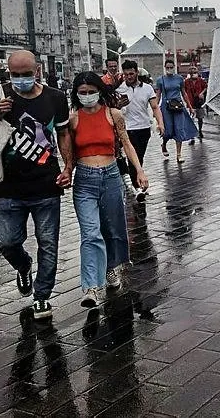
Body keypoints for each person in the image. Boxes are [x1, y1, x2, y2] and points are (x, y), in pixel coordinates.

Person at [0, 50, 73, 321]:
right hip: (8, 187)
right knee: (7, 242)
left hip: (46, 184)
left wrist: (68, 168)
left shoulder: (54, 97)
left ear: (37, 70)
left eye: (26, 74)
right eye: (15, 75)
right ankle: (23, 265)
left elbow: (63, 133)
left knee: (48, 244)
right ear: (7, 73)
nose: (20, 80)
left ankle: (42, 296)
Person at [68, 72, 149, 308]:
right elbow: (68, 151)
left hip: (111, 175)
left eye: (90, 91)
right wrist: (66, 171)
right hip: (84, 180)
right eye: (82, 93)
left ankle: (112, 267)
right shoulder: (73, 119)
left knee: (113, 228)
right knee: (90, 233)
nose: (87, 96)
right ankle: (91, 286)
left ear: (99, 92)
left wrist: (139, 171)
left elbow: (126, 143)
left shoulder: (113, 115)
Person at [116, 60, 164, 202]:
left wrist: (160, 123)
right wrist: (118, 105)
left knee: (139, 157)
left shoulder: (148, 88)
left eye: (131, 73)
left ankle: (137, 177)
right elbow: (113, 109)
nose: (129, 77)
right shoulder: (119, 89)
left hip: (143, 127)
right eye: (126, 75)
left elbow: (155, 107)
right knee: (133, 157)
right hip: (127, 129)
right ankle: (137, 186)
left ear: (137, 72)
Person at [155, 59, 197, 163]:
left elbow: (184, 93)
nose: (169, 69)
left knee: (179, 129)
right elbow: (158, 95)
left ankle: (179, 154)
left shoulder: (179, 79)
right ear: (165, 68)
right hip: (166, 107)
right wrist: (155, 109)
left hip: (178, 106)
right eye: (167, 67)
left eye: (171, 67)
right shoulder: (161, 80)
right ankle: (164, 144)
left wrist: (190, 107)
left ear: (174, 67)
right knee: (167, 131)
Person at [184, 65, 207, 143]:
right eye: (192, 73)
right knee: (191, 119)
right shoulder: (186, 82)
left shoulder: (201, 80)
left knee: (200, 118)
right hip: (191, 103)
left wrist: (202, 93)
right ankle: (192, 136)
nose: (194, 74)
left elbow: (206, 87)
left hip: (199, 102)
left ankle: (200, 130)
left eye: (195, 72)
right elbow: (184, 91)